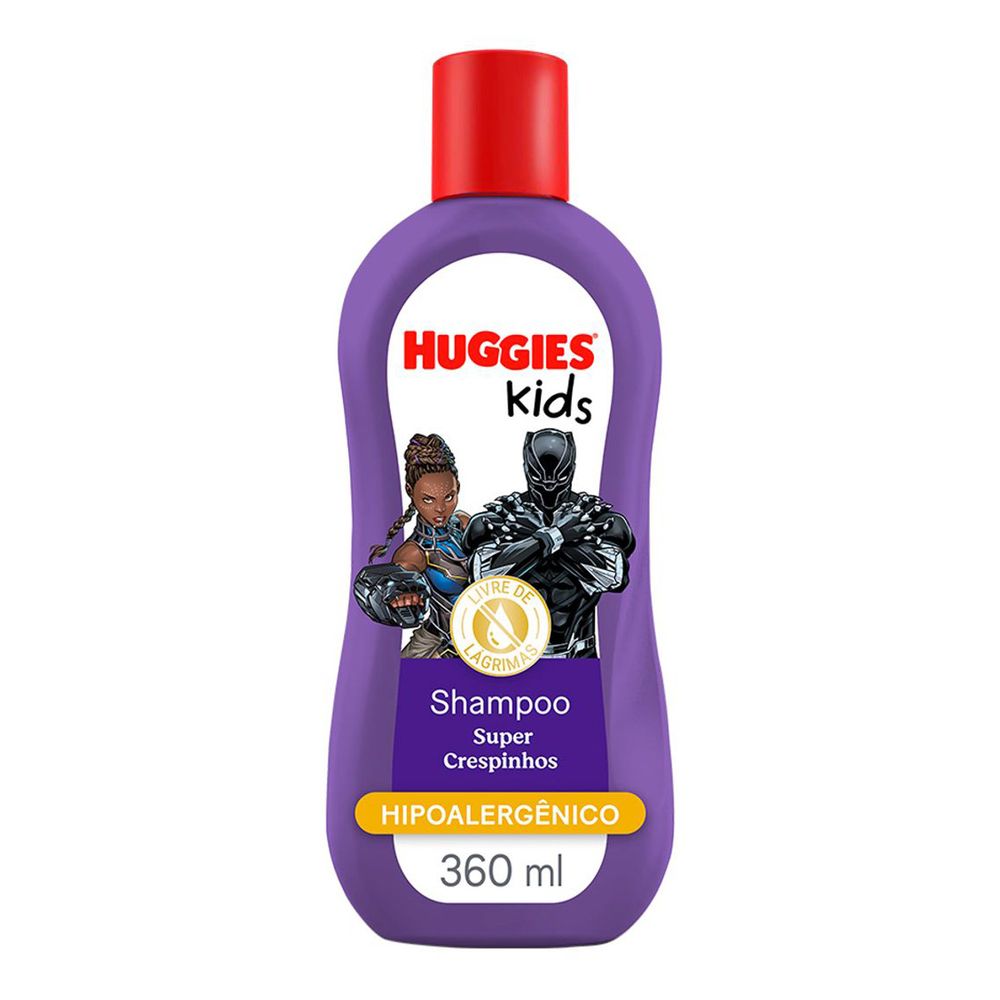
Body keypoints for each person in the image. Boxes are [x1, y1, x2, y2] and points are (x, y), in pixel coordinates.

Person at [462, 428, 635, 658]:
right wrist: (560, 534)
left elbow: (614, 576)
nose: (549, 487)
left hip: (579, 654)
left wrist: (534, 540)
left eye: (559, 478)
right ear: (527, 468)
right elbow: (481, 576)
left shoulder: (596, 518)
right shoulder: (501, 518)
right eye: (539, 478)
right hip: (514, 656)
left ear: (571, 469)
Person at [353, 433, 468, 657]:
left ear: (458, 488)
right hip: (444, 640)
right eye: (428, 499)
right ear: (410, 491)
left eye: (448, 497)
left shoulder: (464, 523)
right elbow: (394, 585)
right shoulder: (414, 552)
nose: (440, 509)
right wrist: (402, 596)